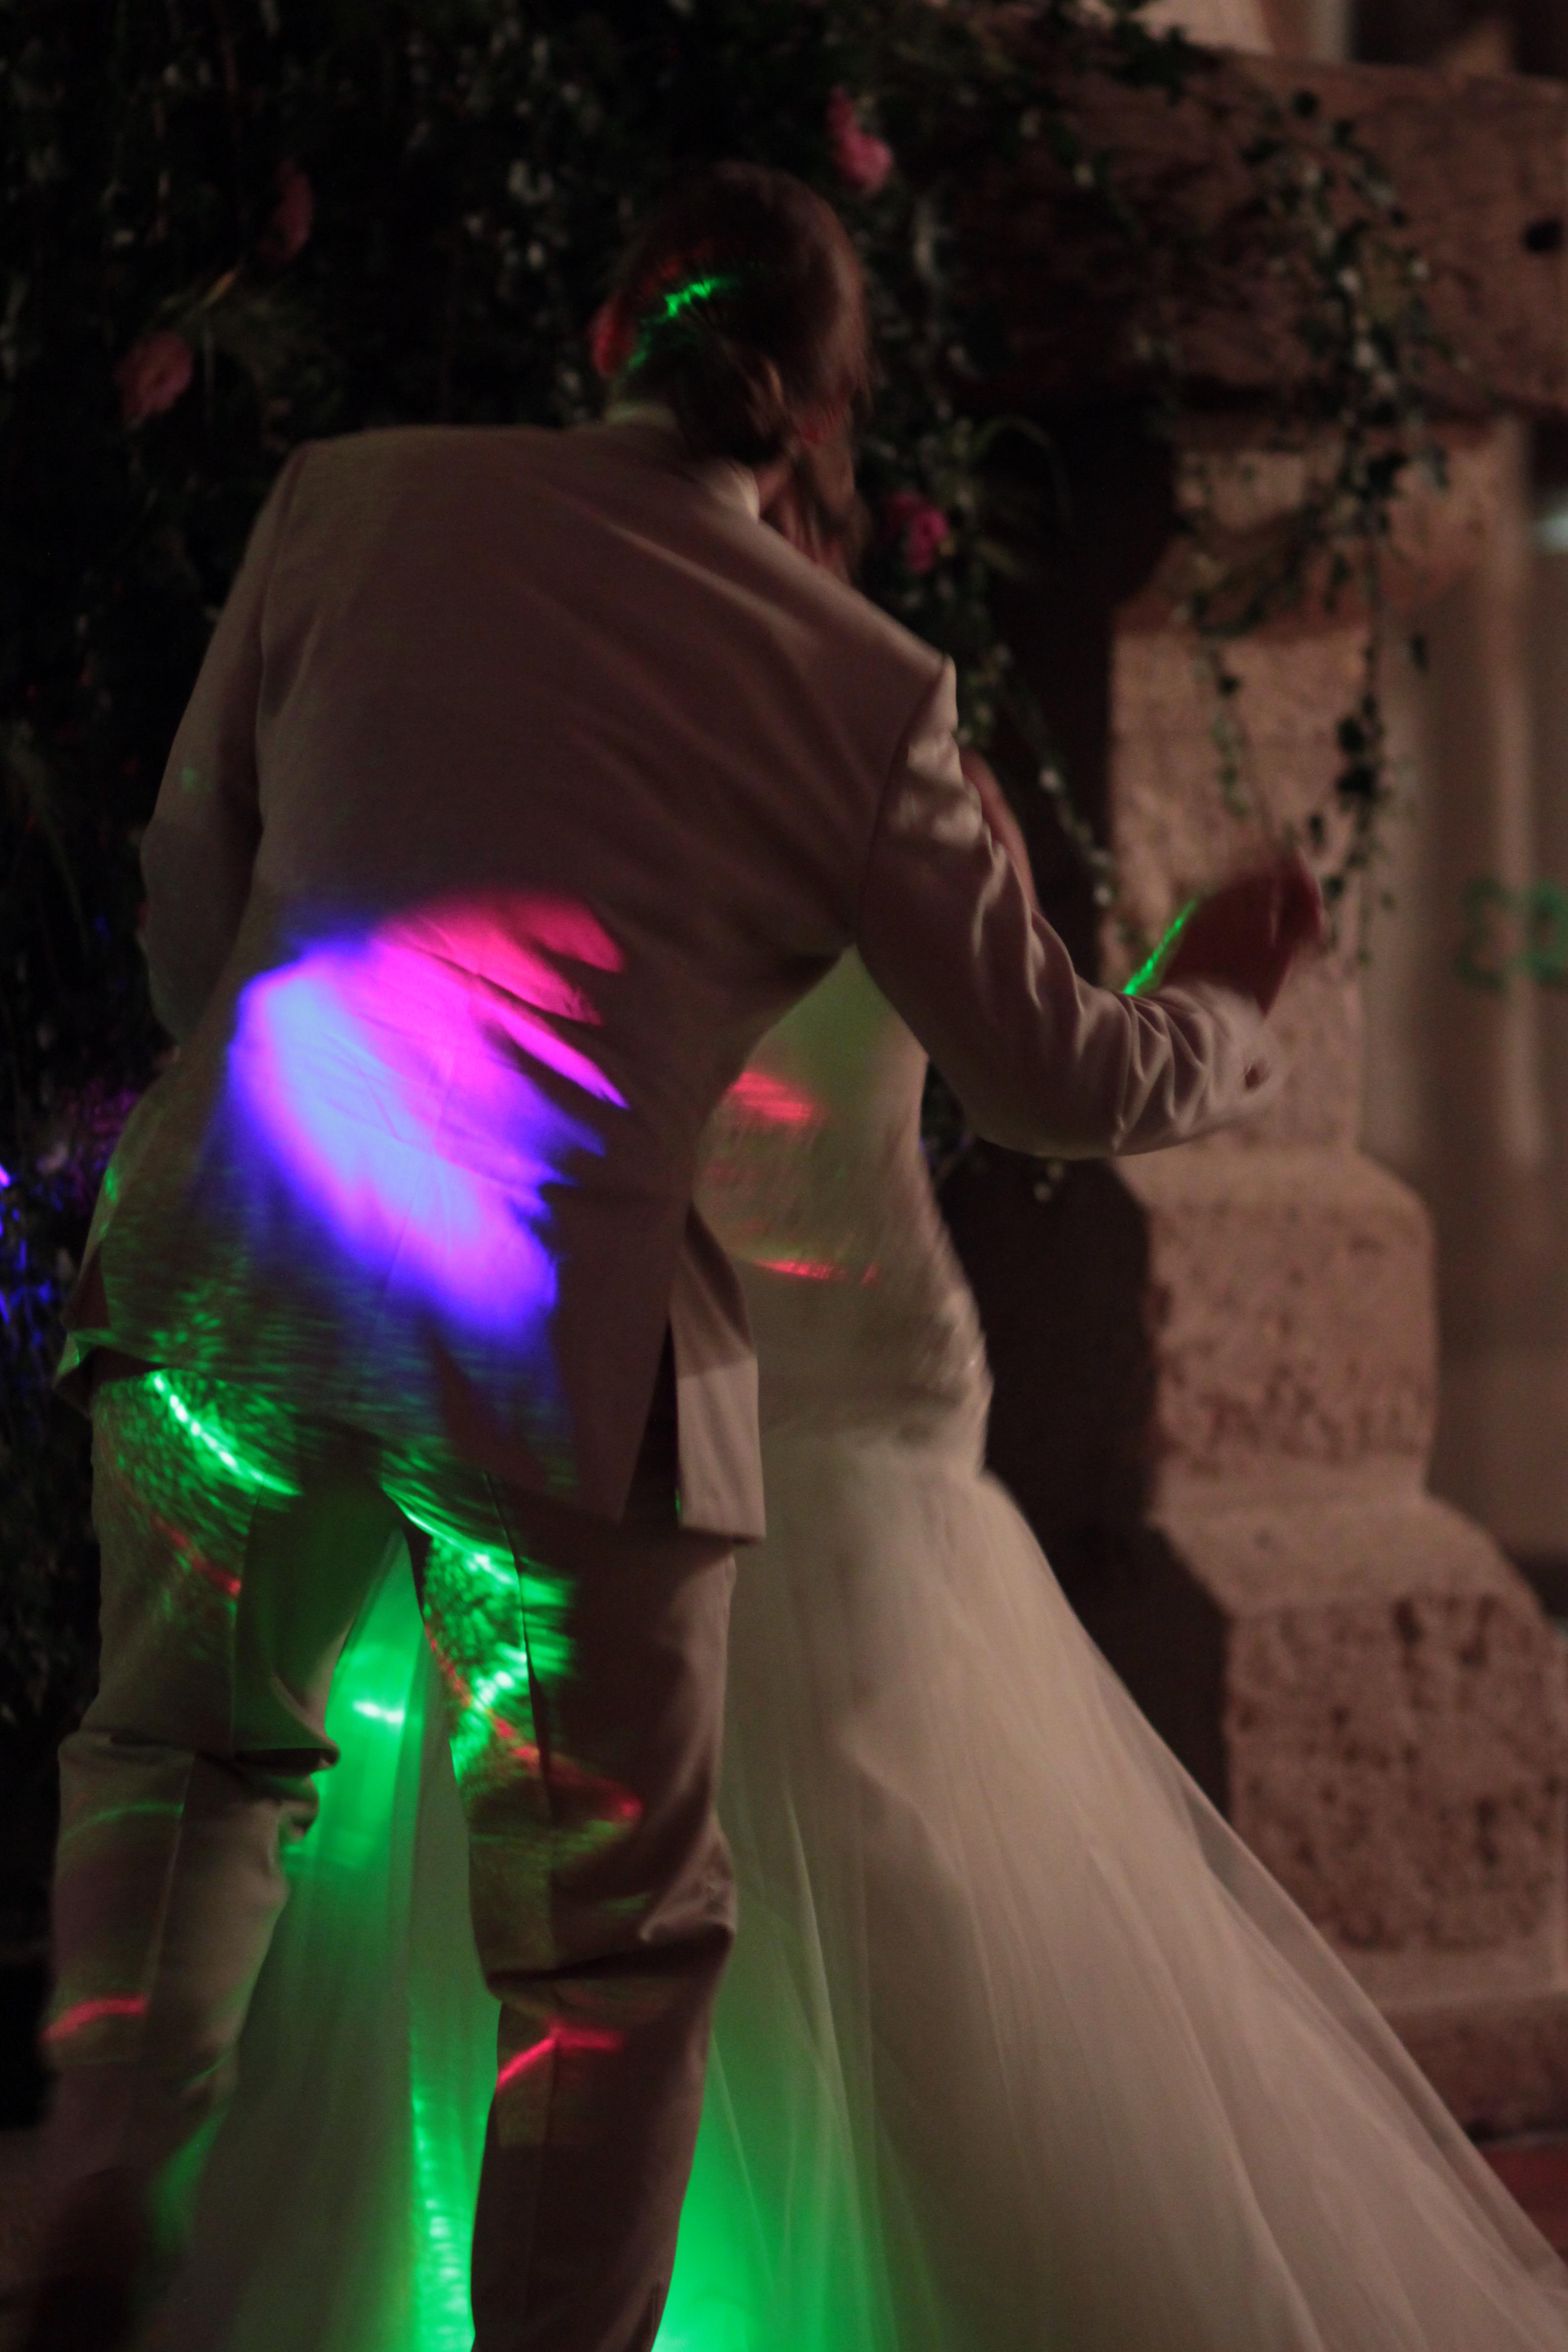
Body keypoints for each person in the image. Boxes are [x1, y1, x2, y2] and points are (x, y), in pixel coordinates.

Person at [23, 163, 1313, 2352]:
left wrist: (278, 1097)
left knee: (181, 1776)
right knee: (599, 1959)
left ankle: (91, 2223)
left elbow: (188, 889)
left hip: (228, 1273)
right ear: (822, 411)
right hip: (544, 1367)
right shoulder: (860, 687)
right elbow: (1053, 1083)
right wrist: (1233, 1005)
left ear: (616, 329)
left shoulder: (350, 500)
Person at [138, 448, 1568, 2352]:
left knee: (543, 1918)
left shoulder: (534, 779)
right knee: (890, 1927)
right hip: (822, 1437)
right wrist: (1222, 995)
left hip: (573, 1420)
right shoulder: (877, 753)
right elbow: (1054, 1071)